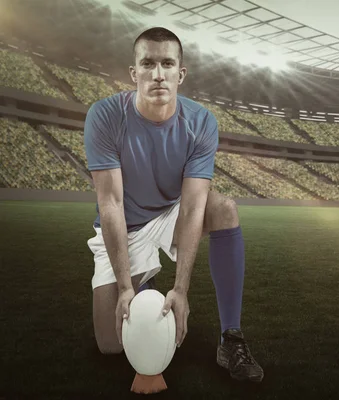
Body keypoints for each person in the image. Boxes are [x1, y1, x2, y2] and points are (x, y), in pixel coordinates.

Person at [83, 26, 263, 383]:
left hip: (171, 212)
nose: (158, 73)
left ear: (181, 74)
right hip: (126, 223)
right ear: (134, 73)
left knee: (224, 208)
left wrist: (181, 290)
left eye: (167, 63)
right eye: (148, 63)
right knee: (110, 343)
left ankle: (231, 338)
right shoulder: (104, 116)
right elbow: (112, 204)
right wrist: (124, 288)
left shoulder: (201, 122)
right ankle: (142, 286)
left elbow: (195, 207)